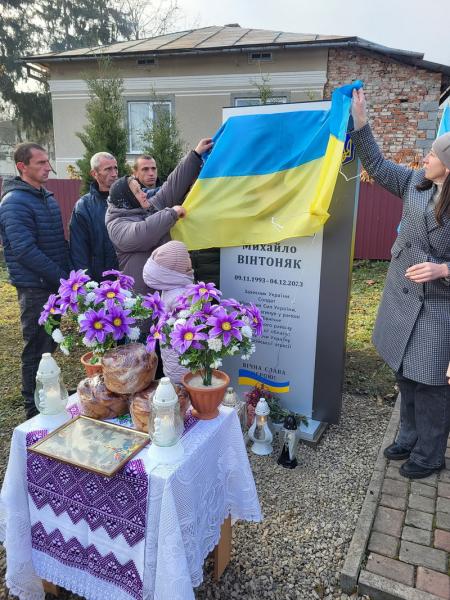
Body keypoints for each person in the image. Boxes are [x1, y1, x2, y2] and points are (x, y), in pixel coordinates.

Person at [351, 88, 450, 479]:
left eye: (434, 154)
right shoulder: (414, 183)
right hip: (400, 296)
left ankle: (430, 454)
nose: (426, 156)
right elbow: (374, 163)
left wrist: (443, 270)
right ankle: (408, 436)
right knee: (405, 373)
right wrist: (361, 120)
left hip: (438, 306)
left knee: (430, 383)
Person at [0, 142, 70, 419]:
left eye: (47, 161)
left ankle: (48, 392)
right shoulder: (14, 202)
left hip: (52, 283)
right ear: (22, 166)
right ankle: (33, 407)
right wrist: (61, 277)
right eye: (40, 163)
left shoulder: (46, 197)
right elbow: (24, 250)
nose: (47, 167)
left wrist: (68, 275)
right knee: (36, 347)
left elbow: (56, 241)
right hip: (34, 286)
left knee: (49, 342)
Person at [105, 137, 213, 296]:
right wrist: (172, 213)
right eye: (137, 192)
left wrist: (195, 155)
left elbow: (171, 186)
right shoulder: (116, 224)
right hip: (142, 300)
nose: (143, 194)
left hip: (164, 294)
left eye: (140, 189)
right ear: (126, 199)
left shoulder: (148, 207)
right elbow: (141, 232)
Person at [142, 240, 194, 383]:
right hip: (183, 358)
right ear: (177, 269)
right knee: (185, 389)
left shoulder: (170, 288)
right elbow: (189, 324)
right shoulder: (181, 295)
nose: (190, 258)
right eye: (186, 257)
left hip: (171, 354)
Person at [69, 152, 119, 281]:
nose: (114, 174)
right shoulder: (84, 206)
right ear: (94, 173)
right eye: (108, 169)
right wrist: (87, 285)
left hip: (127, 279)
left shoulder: (129, 200)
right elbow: (79, 251)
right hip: (99, 283)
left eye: (115, 168)